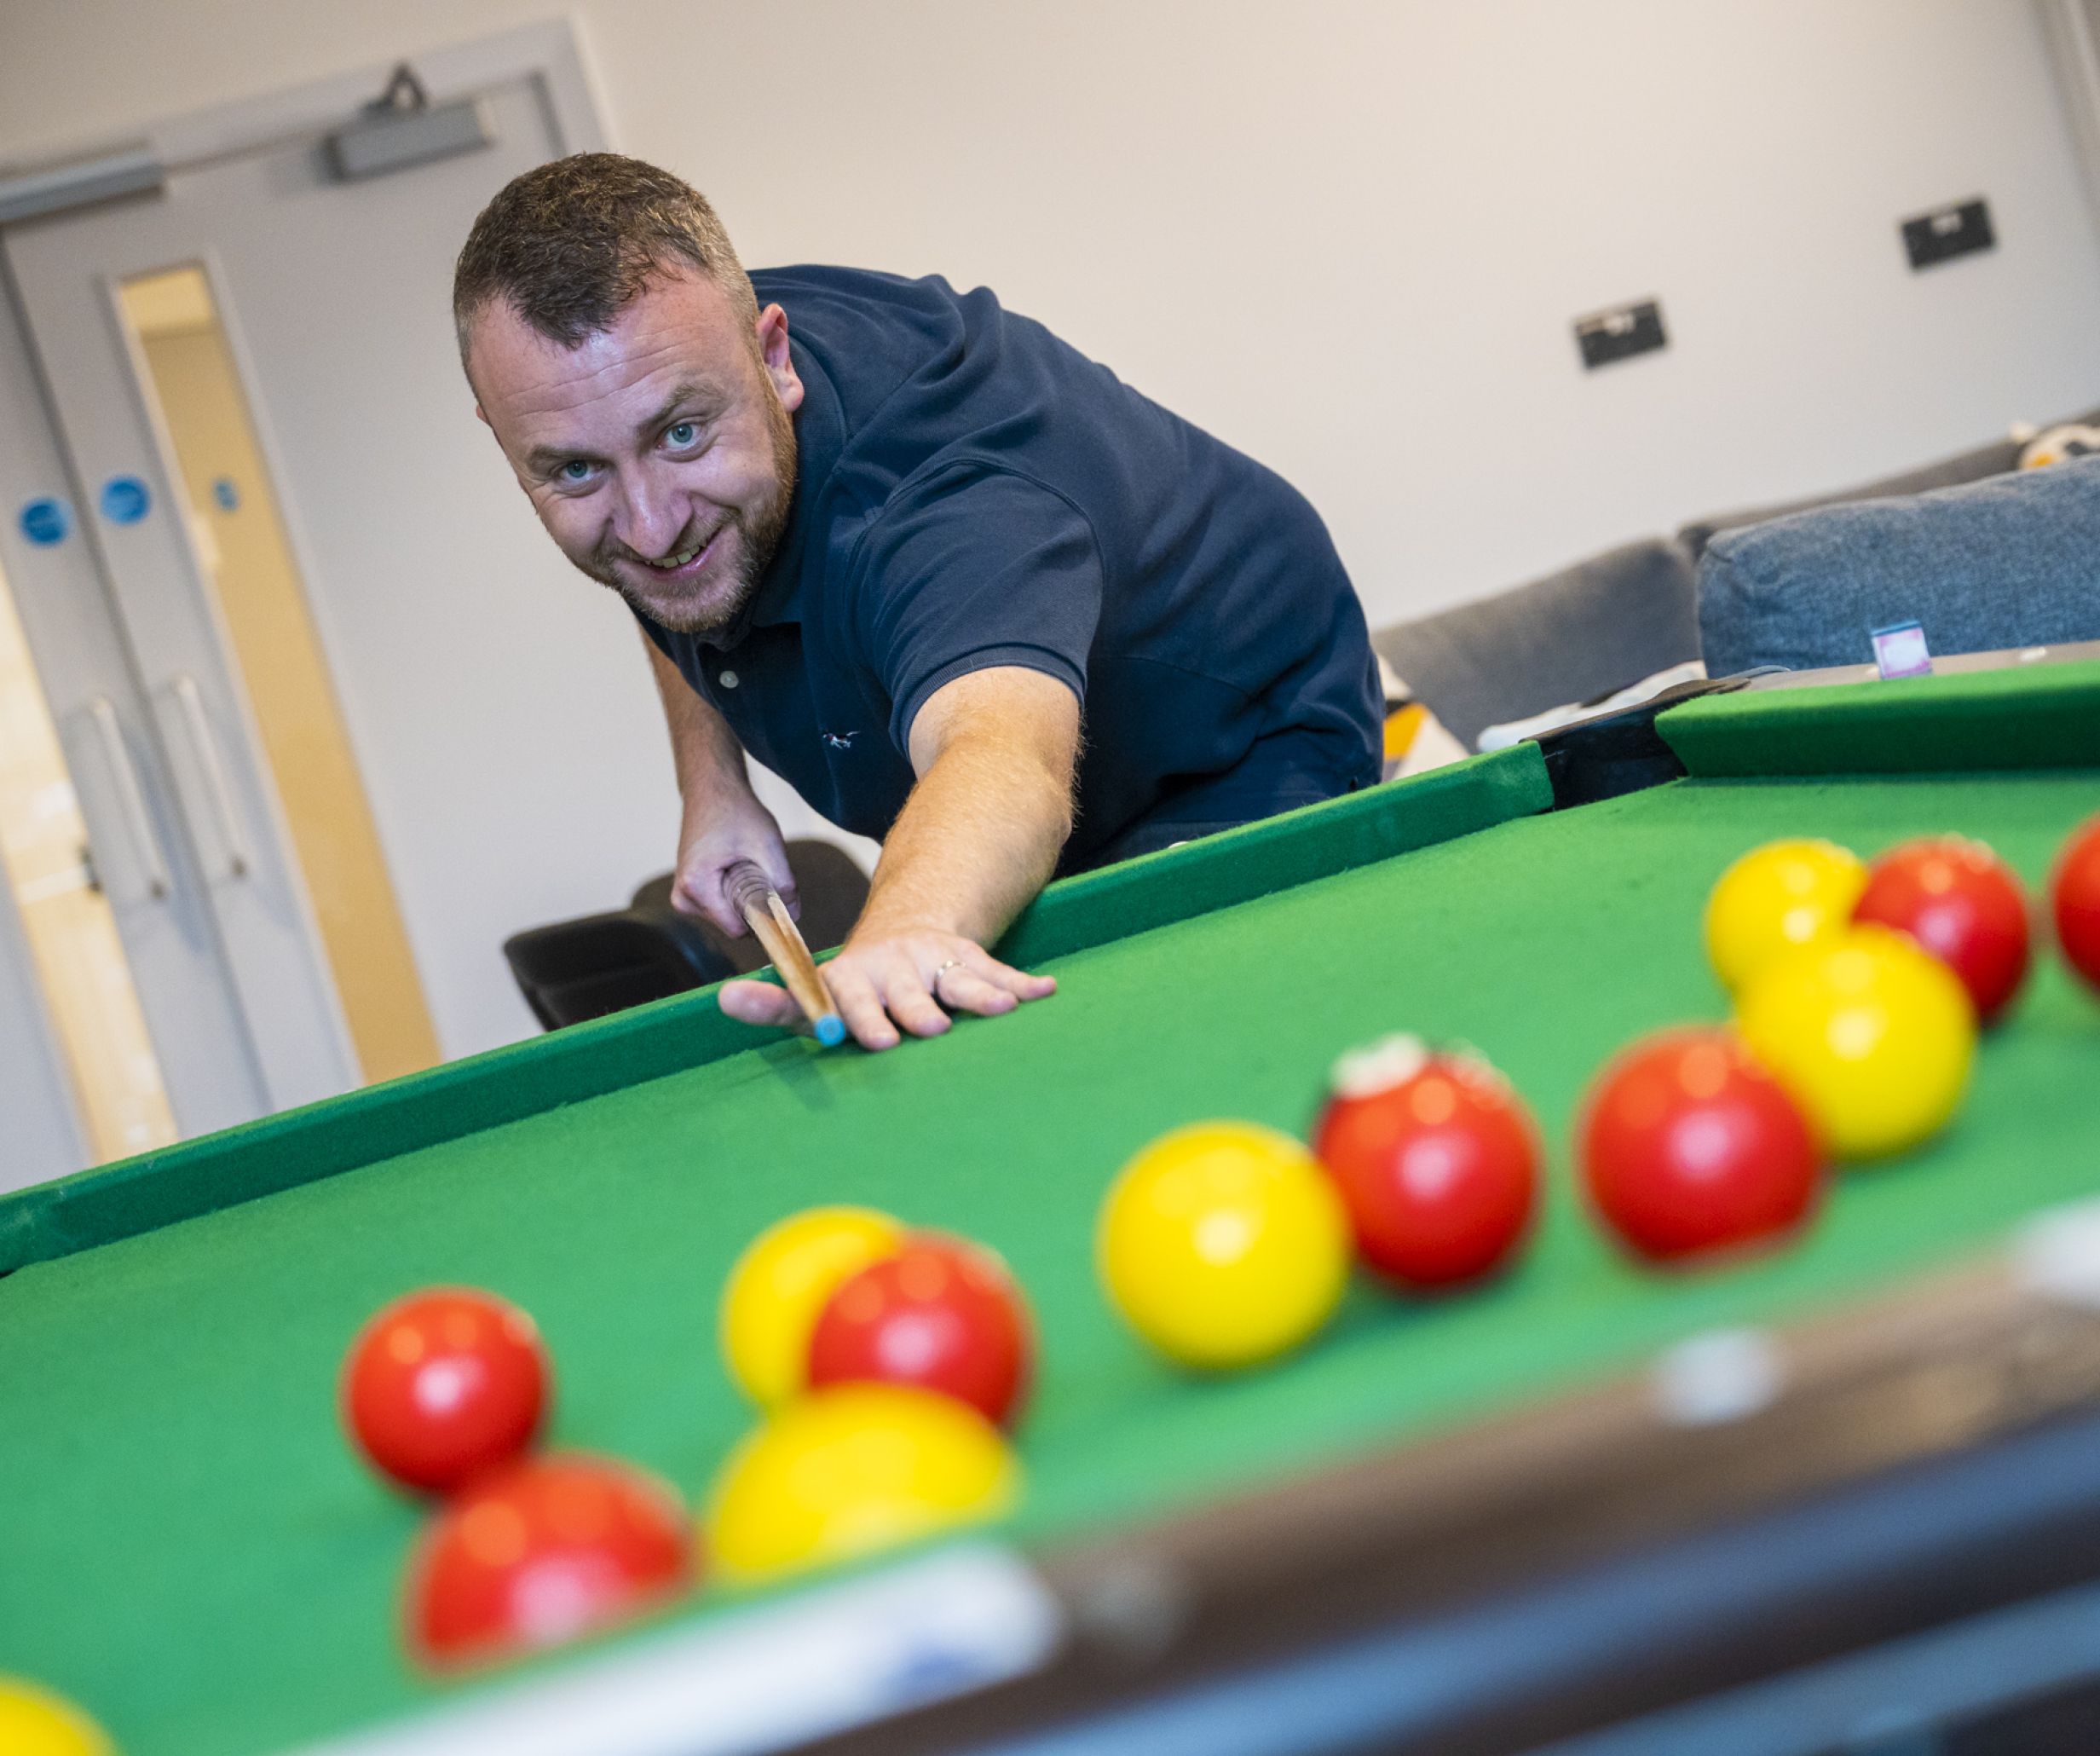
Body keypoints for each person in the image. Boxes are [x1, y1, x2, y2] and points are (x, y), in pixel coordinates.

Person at [455, 153, 1380, 1051]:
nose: (650, 526)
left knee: (1167, 1050)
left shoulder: (942, 501)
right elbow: (664, 573)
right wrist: (715, 783)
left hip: (1231, 746)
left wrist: (899, 930)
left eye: (683, 433)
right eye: (575, 470)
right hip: (1032, 784)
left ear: (772, 356)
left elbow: (1000, 755)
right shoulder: (649, 369)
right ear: (506, 435)